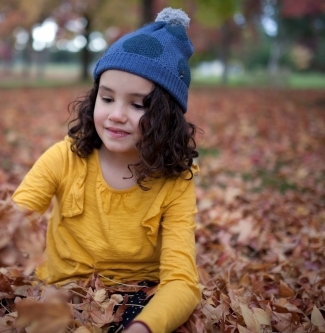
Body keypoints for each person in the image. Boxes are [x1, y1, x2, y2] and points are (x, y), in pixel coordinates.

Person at [12, 7, 200, 333]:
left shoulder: (174, 184)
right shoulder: (63, 158)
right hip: (59, 292)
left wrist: (143, 328)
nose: (116, 114)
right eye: (107, 98)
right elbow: (11, 219)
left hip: (134, 299)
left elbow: (182, 281)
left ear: (166, 116)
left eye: (137, 104)